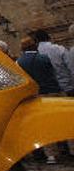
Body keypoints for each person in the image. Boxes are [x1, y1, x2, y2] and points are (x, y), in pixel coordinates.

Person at [17, 36, 63, 164]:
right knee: (60, 120)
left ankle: (51, 155)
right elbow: (53, 73)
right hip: (53, 92)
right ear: (35, 45)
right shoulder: (44, 58)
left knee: (45, 125)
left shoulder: (19, 62)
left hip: (37, 96)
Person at [35, 30, 72, 94]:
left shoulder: (36, 53)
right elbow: (71, 66)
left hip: (50, 91)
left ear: (36, 41)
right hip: (68, 86)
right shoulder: (59, 48)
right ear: (49, 37)